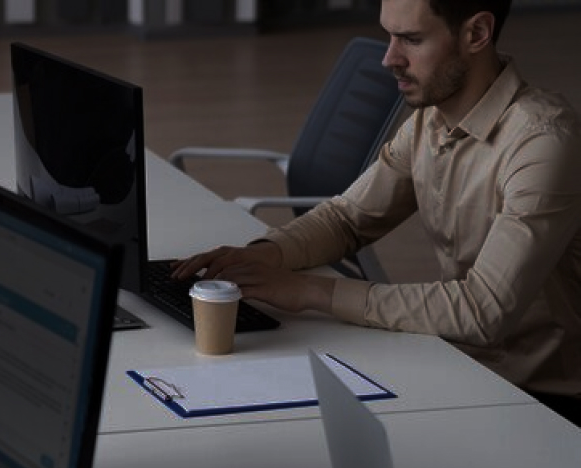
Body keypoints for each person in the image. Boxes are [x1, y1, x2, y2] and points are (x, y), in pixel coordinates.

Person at [174, 0, 581, 425]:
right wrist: (265, 255)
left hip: (544, 402)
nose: (389, 58)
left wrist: (309, 291)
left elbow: (483, 309)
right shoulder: (429, 121)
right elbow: (348, 218)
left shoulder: (544, 143)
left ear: (477, 34)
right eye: (389, 35)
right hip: (457, 363)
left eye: (411, 39)